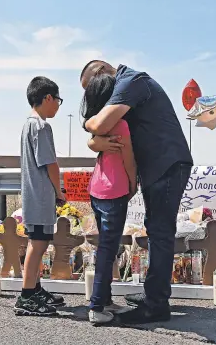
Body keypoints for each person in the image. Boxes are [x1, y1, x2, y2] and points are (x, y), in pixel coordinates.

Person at [80, 61, 193, 324]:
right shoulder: (127, 85)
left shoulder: (131, 82)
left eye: (92, 87)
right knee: (155, 229)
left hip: (166, 164)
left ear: (101, 74)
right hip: (159, 166)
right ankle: (154, 295)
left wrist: (89, 128)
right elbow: (99, 134)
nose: (93, 95)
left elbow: (100, 124)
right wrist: (92, 138)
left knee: (160, 232)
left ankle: (156, 306)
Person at [80, 74, 137, 324]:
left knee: (106, 248)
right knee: (108, 250)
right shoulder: (122, 125)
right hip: (115, 191)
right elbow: (128, 160)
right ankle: (96, 307)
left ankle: (106, 300)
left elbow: (91, 141)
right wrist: (134, 182)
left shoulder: (96, 126)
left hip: (97, 190)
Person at [14, 76, 67, 316]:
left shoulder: (28, 124)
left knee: (36, 242)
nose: (57, 105)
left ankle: (34, 288)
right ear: (47, 98)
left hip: (32, 194)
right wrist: (60, 191)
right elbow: (51, 164)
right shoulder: (42, 126)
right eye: (57, 100)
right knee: (39, 243)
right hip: (41, 195)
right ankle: (26, 296)